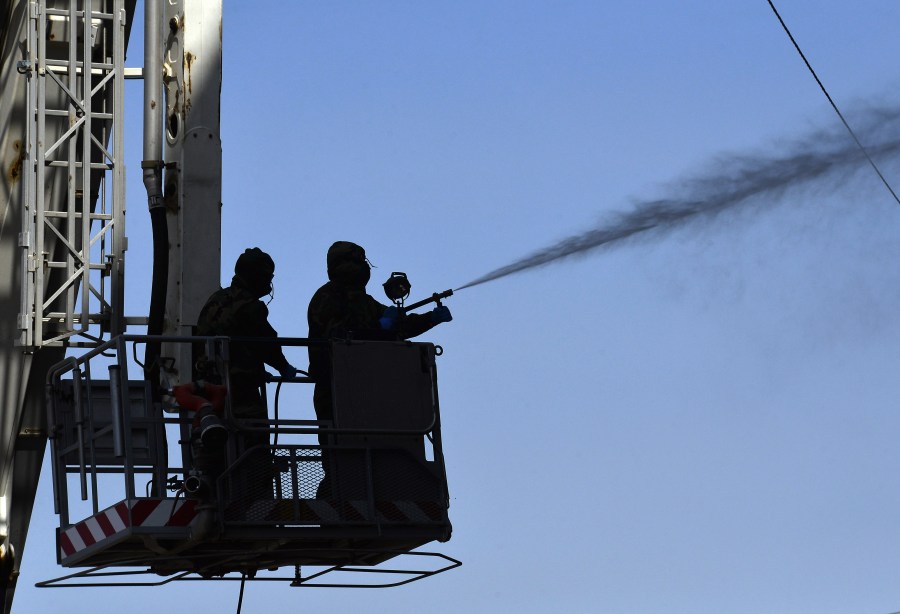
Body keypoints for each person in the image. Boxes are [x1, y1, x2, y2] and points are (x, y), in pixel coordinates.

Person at [307, 241, 452, 496]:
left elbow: (399, 327)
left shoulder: (363, 300)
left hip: (368, 391)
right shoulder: (327, 298)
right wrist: (380, 328)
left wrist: (430, 318)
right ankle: (335, 493)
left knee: (373, 451)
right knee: (339, 453)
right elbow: (338, 338)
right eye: (353, 261)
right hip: (335, 388)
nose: (359, 267)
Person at [194, 248, 297, 500]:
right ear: (256, 276)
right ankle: (254, 493)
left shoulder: (215, 299)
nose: (269, 282)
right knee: (254, 442)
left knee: (214, 442)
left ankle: (213, 490)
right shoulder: (250, 306)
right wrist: (285, 368)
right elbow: (267, 343)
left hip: (207, 389)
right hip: (239, 389)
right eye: (266, 276)